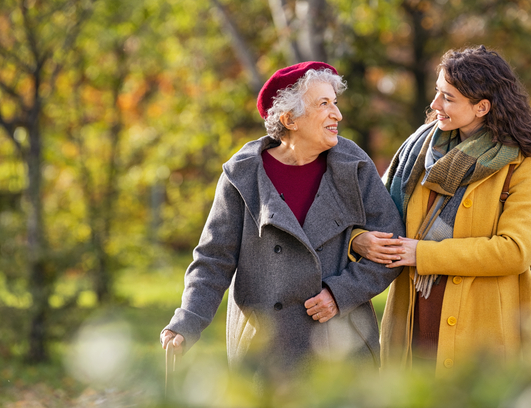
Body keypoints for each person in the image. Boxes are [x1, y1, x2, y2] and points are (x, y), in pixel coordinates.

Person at [161, 61, 405, 383]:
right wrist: (187, 320)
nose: (337, 114)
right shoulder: (243, 175)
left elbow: (391, 247)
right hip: (266, 349)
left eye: (335, 102)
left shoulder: (354, 165)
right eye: (324, 104)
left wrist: (340, 293)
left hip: (342, 346)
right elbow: (213, 260)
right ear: (289, 119)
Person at [350, 45, 531, 376]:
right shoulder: (418, 151)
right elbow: (370, 213)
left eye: (448, 97)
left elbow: (515, 251)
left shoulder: (527, 163)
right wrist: (359, 240)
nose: (434, 105)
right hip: (412, 324)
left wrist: (424, 254)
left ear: (482, 107)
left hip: (482, 336)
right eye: (437, 93)